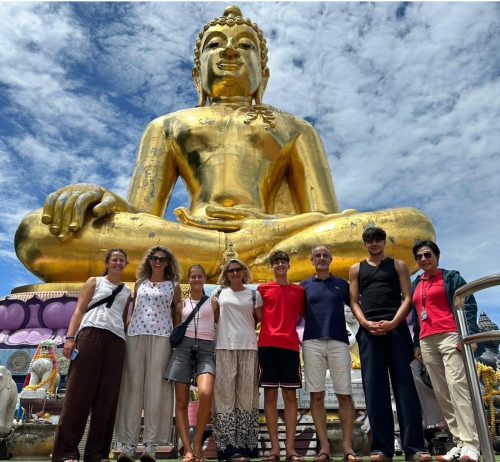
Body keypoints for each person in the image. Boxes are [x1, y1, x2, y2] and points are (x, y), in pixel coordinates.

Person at [15, 6, 435, 286]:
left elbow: (325, 219)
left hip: (278, 238)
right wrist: (105, 202)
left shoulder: (294, 128)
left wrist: (271, 229)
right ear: (198, 72)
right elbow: (142, 217)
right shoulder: (168, 125)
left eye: (245, 45)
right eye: (215, 44)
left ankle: (224, 263)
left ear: (262, 75)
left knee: (413, 229)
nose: (230, 50)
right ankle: (234, 259)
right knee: (37, 233)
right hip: (193, 236)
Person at [348, 227, 431, 462]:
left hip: (396, 330)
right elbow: (354, 301)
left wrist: (395, 322)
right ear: (365, 244)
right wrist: (364, 322)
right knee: (375, 390)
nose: (374, 244)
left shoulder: (398, 265)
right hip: (369, 332)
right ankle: (381, 448)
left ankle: (414, 447)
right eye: (370, 240)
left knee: (405, 388)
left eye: (378, 240)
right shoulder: (356, 269)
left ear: (385, 242)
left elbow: (407, 297)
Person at [51, 249, 132, 462]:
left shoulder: (126, 291)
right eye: (114, 259)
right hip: (90, 334)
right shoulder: (94, 281)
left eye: (121, 260)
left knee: (107, 397)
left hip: (116, 340)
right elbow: (79, 310)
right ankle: (66, 452)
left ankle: (97, 453)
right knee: (78, 393)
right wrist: (70, 337)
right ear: (107, 263)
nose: (118, 263)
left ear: (126, 264)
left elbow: (122, 319)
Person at [411, 240, 480, 462]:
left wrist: (466, 334)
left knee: (457, 387)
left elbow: (468, 304)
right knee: (441, 393)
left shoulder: (450, 277)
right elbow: (415, 315)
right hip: (427, 341)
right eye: (419, 257)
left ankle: (472, 444)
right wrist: (416, 345)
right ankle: (459, 443)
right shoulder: (416, 283)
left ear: (437, 256)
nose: (423, 259)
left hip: (450, 335)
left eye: (427, 254)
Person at [115, 246, 181, 462]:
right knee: (132, 388)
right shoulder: (139, 283)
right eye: (154, 258)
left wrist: (176, 340)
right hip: (135, 333)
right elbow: (131, 311)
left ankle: (151, 445)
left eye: (162, 259)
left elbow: (177, 315)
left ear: (168, 262)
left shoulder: (174, 286)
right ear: (149, 260)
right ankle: (128, 444)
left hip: (162, 336)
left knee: (157, 389)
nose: (158, 262)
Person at [300, 246, 359, 462]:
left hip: (338, 342)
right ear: (311, 260)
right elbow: (297, 312)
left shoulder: (342, 285)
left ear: (331, 260)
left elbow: (355, 307)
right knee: (316, 395)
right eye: (317, 256)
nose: (321, 259)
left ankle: (347, 446)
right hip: (312, 342)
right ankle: (323, 446)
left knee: (344, 395)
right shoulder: (304, 285)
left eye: (325, 256)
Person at [164, 264, 217, 462]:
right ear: (188, 280)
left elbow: (216, 325)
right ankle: (187, 449)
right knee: (181, 402)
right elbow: (177, 327)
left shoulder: (213, 303)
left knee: (206, 393)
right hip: (184, 349)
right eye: (192, 276)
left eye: (199, 276)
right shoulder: (181, 305)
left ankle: (197, 444)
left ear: (204, 279)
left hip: (205, 349)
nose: (196, 279)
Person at [211, 258, 263, 462]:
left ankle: (246, 445)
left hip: (249, 347)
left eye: (237, 269)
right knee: (224, 398)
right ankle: (227, 447)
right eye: (230, 270)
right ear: (226, 273)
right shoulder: (218, 293)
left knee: (246, 396)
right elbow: (213, 318)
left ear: (243, 271)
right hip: (224, 346)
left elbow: (259, 319)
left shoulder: (253, 294)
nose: (234, 273)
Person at [256, 250, 305, 462]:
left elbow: (304, 314)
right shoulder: (263, 289)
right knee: (269, 397)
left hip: (291, 347)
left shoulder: (299, 291)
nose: (280, 265)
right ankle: (275, 449)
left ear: (289, 265)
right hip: (267, 345)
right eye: (276, 262)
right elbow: (258, 315)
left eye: (284, 261)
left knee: (290, 397)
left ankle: (291, 449)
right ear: (272, 266)